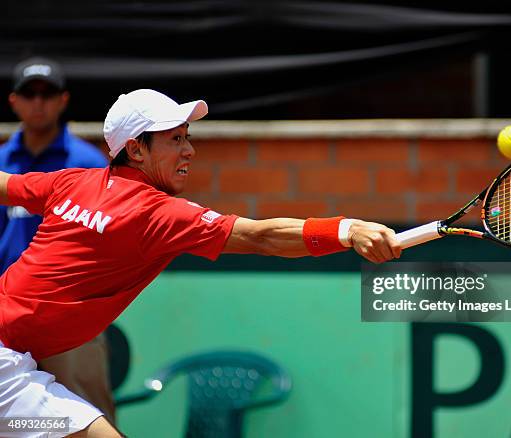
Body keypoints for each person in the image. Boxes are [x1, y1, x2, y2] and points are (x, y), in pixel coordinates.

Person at [0, 89, 402, 437]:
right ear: (136, 149)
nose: (189, 149)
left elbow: (5, 184)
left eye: (187, 137)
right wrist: (345, 230)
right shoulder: (156, 213)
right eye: (175, 139)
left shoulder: (72, 182)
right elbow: (260, 236)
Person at [0, 57, 115, 423]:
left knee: (86, 414)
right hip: (9, 316)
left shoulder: (88, 163)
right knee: (18, 421)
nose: (38, 102)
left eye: (47, 93)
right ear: (13, 101)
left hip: (70, 316)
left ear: (63, 100)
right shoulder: (2, 161)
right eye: (28, 93)